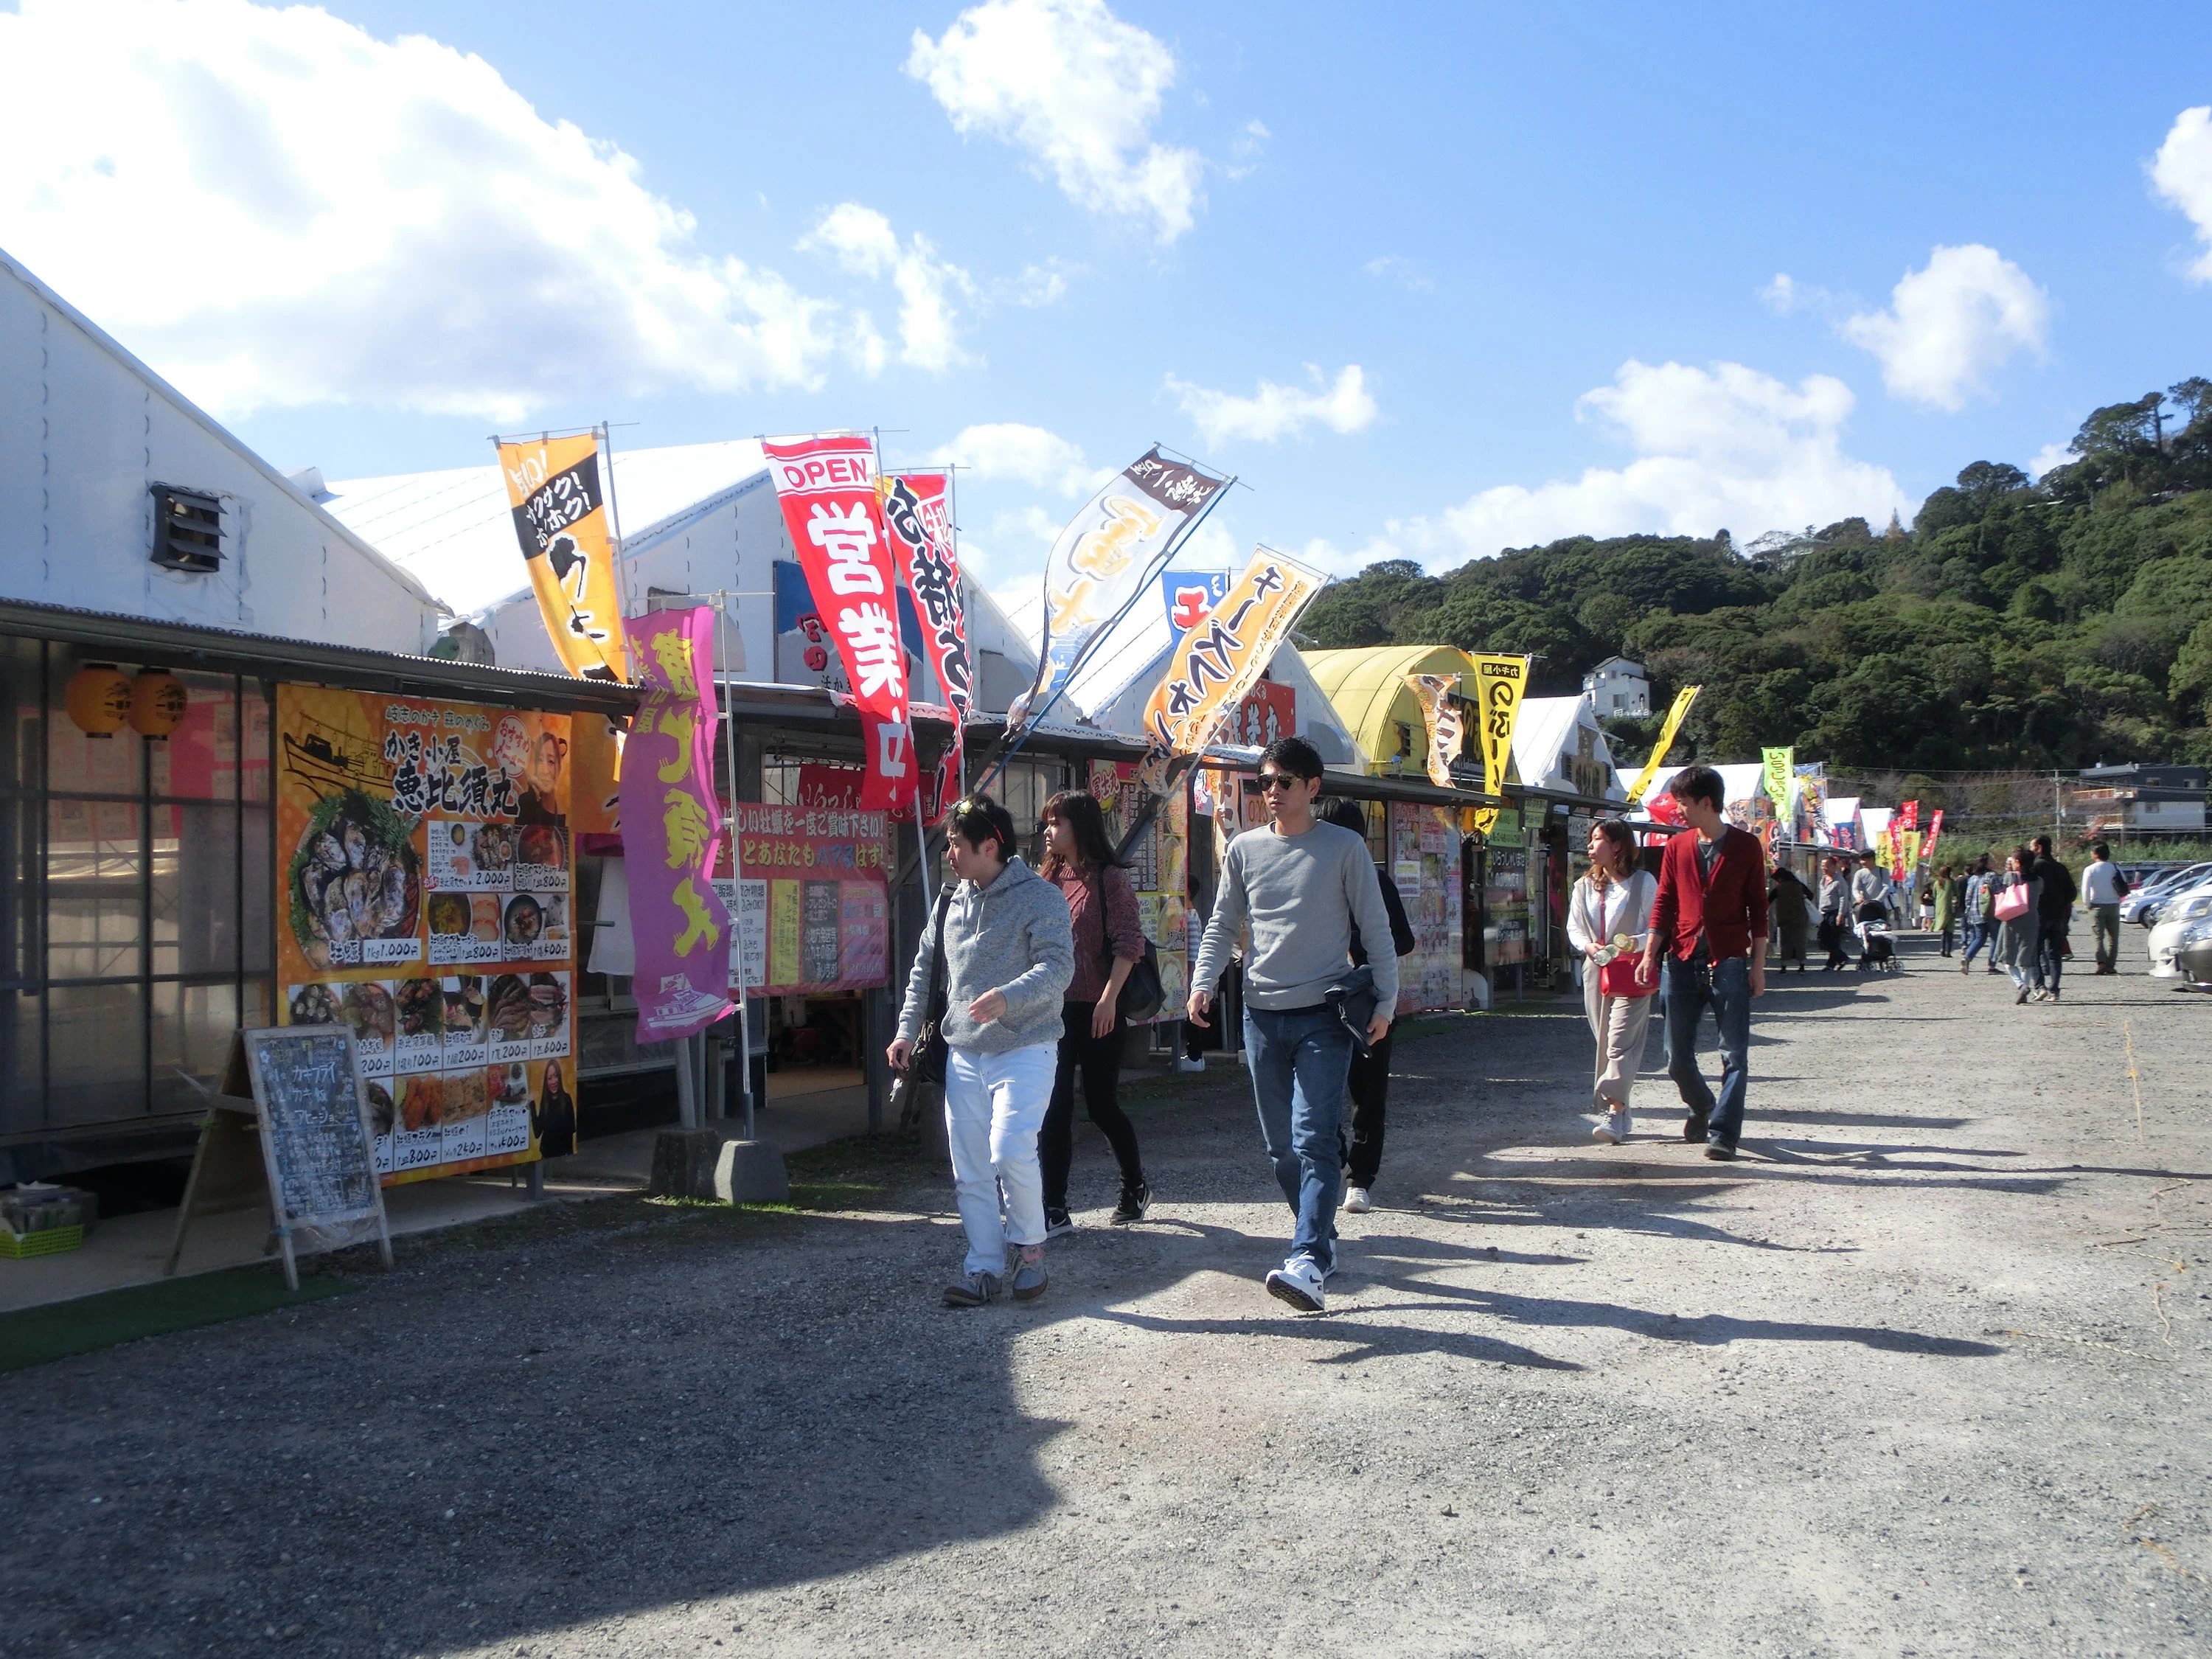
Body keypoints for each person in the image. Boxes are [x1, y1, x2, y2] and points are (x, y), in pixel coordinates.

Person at [1188, 737, 1397, 1314]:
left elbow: (1376, 930)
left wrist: (1386, 1002)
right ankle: (1319, 1240)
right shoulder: (1245, 850)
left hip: (1325, 1017)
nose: (1272, 792)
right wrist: (1202, 983)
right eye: (1265, 782)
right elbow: (1223, 922)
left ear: (1312, 788)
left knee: (1312, 1136)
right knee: (1281, 1149)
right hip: (1261, 1014)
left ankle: (1307, 1256)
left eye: (1283, 782)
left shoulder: (1345, 848)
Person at [890, 794, 1074, 1307]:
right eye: (948, 844)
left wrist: (1009, 996)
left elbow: (1059, 967)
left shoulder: (1040, 897)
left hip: (1026, 1045)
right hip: (964, 1053)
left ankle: (1031, 1251)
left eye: (956, 845)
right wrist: (906, 1031)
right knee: (969, 1166)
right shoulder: (950, 900)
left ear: (989, 845)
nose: (949, 854)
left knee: (1009, 1147)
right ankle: (983, 1267)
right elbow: (925, 971)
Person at [1036, 787, 1150, 1235]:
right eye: (1046, 823)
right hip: (1053, 1012)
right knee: (1055, 1107)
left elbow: (1129, 944)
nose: (1048, 831)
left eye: (1055, 823)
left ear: (1078, 827)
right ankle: (1055, 1208)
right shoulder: (1045, 878)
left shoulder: (1110, 879)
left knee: (1102, 1106)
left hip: (1100, 1008)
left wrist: (1108, 999)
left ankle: (1134, 1185)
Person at [1639, 765, 1767, 1161]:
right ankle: (1703, 1106)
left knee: (1734, 1054)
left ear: (1707, 803)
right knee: (1674, 1057)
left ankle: (1724, 1134)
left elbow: (1759, 911)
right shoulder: (1677, 848)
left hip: (1729, 960)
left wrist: (1758, 965)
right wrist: (1649, 953)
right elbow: (1664, 903)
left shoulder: (1747, 847)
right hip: (1680, 960)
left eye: (1683, 803)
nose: (1678, 811)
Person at [1318, 798, 1415, 1214]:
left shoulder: (1377, 883)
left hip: (1367, 1002)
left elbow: (1403, 942)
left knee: (1368, 1091)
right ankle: (1338, 1160)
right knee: (1318, 1089)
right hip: (1317, 999)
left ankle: (1360, 1178)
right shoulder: (1314, 881)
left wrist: (1364, 957)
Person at [1567, 818, 1658, 1143]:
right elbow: (1574, 928)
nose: (1590, 846)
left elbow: (1657, 928)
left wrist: (1635, 943)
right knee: (1605, 1041)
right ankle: (1622, 1108)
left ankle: (1615, 1113)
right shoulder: (1583, 887)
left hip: (1633, 969)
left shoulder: (1644, 883)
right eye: (1591, 840)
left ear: (1618, 846)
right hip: (1596, 970)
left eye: (1597, 839)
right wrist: (1588, 946)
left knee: (1619, 1041)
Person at [2028, 834, 2078, 1001]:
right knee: (2055, 954)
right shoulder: (2060, 868)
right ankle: (2055, 990)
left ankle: (2040, 986)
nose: (2031, 850)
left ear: (2040, 848)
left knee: (2034, 952)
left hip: (2039, 916)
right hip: (2058, 917)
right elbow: (2072, 893)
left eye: (2032, 847)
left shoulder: (2034, 867)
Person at [1994, 846, 2042, 1006]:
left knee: (2008, 959)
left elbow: (2000, 889)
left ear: (2018, 863)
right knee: (2027, 958)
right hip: (2032, 920)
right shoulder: (2039, 880)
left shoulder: (2011, 877)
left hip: (2012, 920)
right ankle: (2026, 986)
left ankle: (2021, 985)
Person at [2080, 841, 2129, 975]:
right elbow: (2124, 884)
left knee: (2098, 937)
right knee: (2113, 938)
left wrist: (2087, 904)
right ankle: (2111, 965)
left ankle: (2101, 963)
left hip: (2097, 905)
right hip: (2113, 904)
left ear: (2095, 854)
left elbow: (2085, 889)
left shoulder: (2090, 869)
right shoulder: (2115, 867)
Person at [1849, 849, 1892, 970]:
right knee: (1865, 933)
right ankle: (1867, 956)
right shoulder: (1860, 873)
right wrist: (1858, 897)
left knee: (1881, 932)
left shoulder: (1883, 871)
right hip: (1864, 908)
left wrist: (1878, 900)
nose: (1863, 862)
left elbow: (1886, 887)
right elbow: (1855, 888)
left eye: (1865, 860)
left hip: (1879, 907)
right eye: (1861, 860)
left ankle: (1883, 955)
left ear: (1872, 859)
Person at [1767, 863, 1812, 972]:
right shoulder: (1799, 885)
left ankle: (1784, 966)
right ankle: (1802, 965)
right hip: (1800, 918)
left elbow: (1769, 900)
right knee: (1800, 942)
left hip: (1785, 919)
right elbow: (1811, 895)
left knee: (1786, 943)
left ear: (1781, 878)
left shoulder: (1779, 888)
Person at [1960, 855, 1998, 975]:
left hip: (1975, 913)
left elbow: (1968, 897)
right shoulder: (1992, 876)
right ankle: (1992, 965)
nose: (1994, 861)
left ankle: (1967, 957)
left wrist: (1968, 911)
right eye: (1992, 860)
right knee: (1995, 939)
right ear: (1986, 863)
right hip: (1990, 912)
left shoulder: (1973, 878)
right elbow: (2000, 892)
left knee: (1979, 938)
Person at [1817, 855, 1851, 972]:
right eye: (1823, 866)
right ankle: (1842, 957)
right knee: (1823, 940)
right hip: (1824, 913)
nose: (1824, 869)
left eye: (1827, 866)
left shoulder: (1839, 880)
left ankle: (1831, 964)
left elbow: (1843, 898)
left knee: (1834, 939)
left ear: (1834, 866)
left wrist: (1841, 914)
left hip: (1835, 912)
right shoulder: (1823, 880)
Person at [1932, 864, 1958, 956]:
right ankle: (1948, 951)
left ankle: (1942, 949)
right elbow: (1957, 893)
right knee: (1949, 930)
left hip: (1939, 908)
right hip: (1949, 907)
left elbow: (1934, 895)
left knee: (1943, 930)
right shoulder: (1951, 882)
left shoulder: (1937, 883)